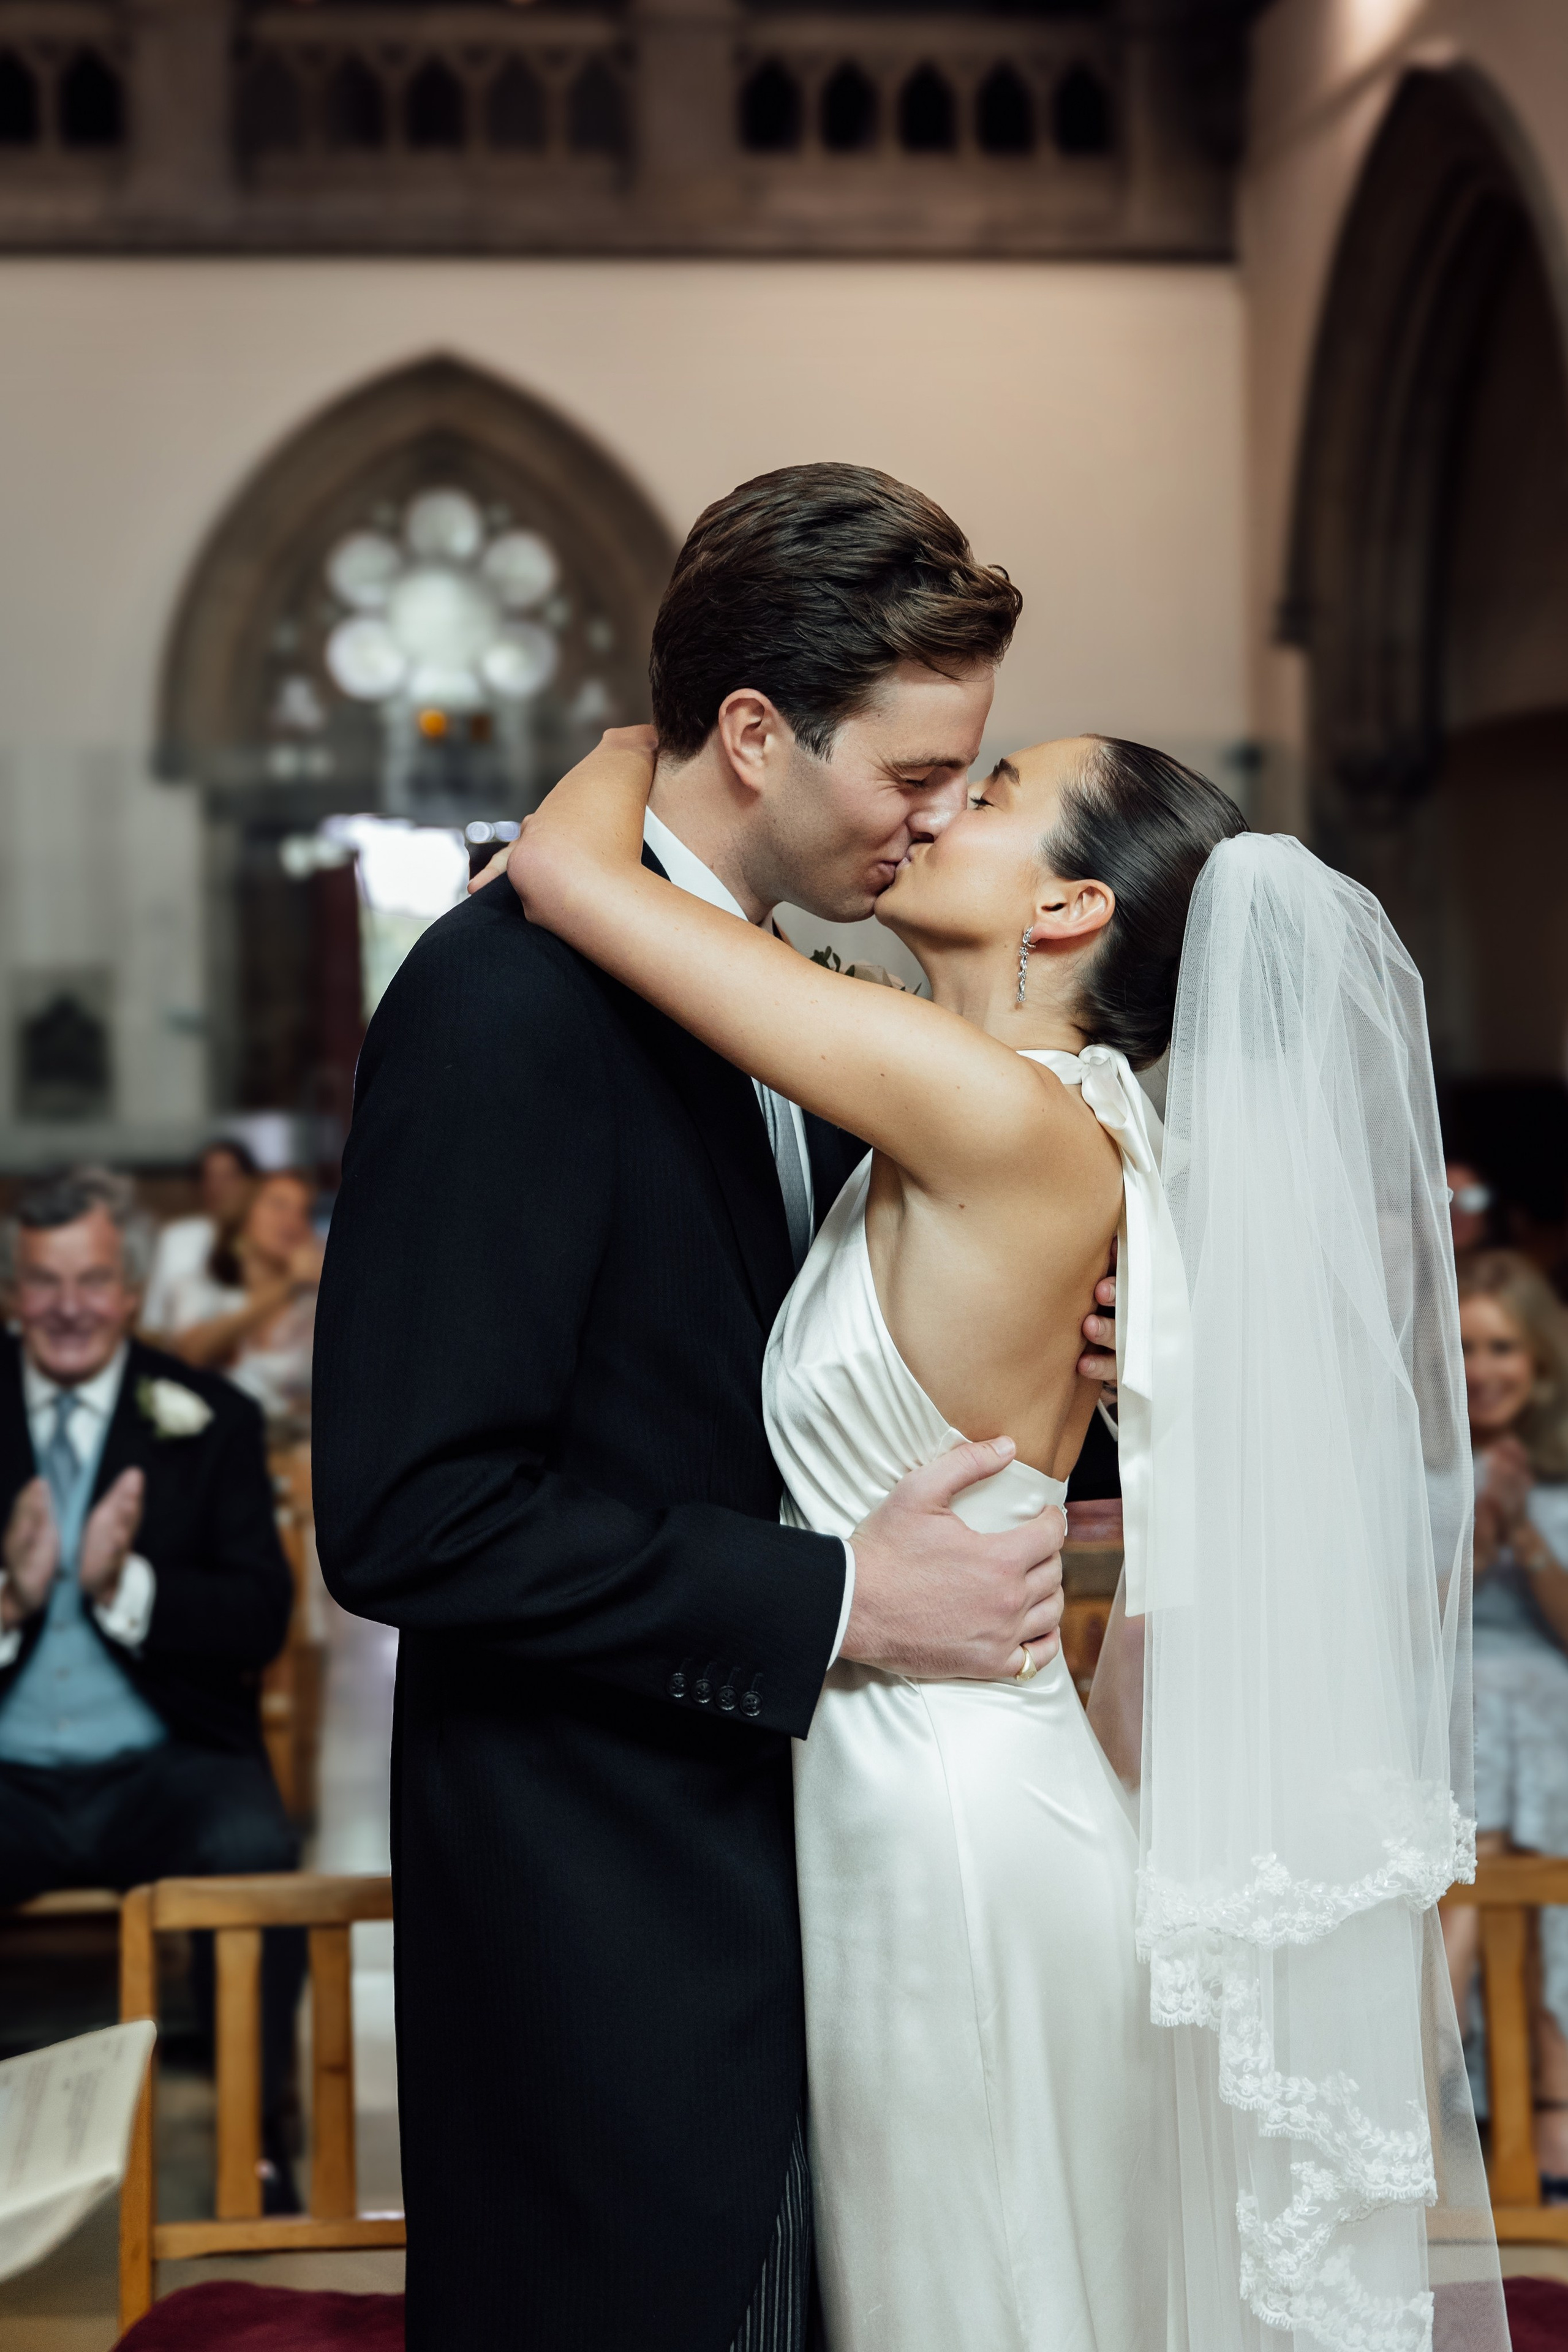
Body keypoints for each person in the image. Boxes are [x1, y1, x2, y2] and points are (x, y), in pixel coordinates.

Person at [502, 709, 1507, 2348]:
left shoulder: (998, 1111)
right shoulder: (1006, 1107)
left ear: (1067, 911)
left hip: (951, 1820)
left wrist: (663, 725)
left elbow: (564, 869)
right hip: (920, 1777)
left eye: (993, 795)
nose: (937, 812)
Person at [312, 466, 1123, 2352]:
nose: (931, 824)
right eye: (913, 775)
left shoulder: (794, 997)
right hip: (621, 1921)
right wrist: (837, 1598)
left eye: (966, 782)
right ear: (755, 733)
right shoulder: (504, 1002)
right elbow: (410, 1508)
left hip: (842, 1887)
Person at [0, 1165, 303, 2206]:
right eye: (44, 1282)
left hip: (166, 1763)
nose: (69, 1307)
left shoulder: (206, 1417)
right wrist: (9, 1602)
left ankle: (256, 2147)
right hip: (10, 1772)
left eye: (92, 1280)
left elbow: (261, 1618)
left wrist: (121, 1585)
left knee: (258, 1855)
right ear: (13, 1292)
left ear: (130, 1289)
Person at [1442, 1248, 1568, 2191]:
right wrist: (1476, 1532)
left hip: (1545, 1702)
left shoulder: (1557, 1473)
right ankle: (1462, 2089)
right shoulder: (1428, 1464)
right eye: (1467, 1349)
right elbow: (1417, 1625)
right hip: (1452, 1696)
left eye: (1503, 1348)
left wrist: (1523, 1526)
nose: (1484, 1370)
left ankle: (1452, 2073)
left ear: (1539, 1361)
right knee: (1472, 1880)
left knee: (1514, 1711)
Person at [169, 1171, 322, 1442]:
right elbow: (193, 1354)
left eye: (304, 1211)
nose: (293, 1220)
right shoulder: (202, 1288)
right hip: (216, 1447)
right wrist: (288, 1286)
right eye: (279, 1205)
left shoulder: (314, 1303)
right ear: (243, 1213)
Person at [139, 1137, 258, 1336]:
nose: (218, 1186)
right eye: (209, 1177)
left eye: (229, 1176)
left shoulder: (264, 1236)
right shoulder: (176, 1236)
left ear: (250, 1182)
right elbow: (154, 1319)